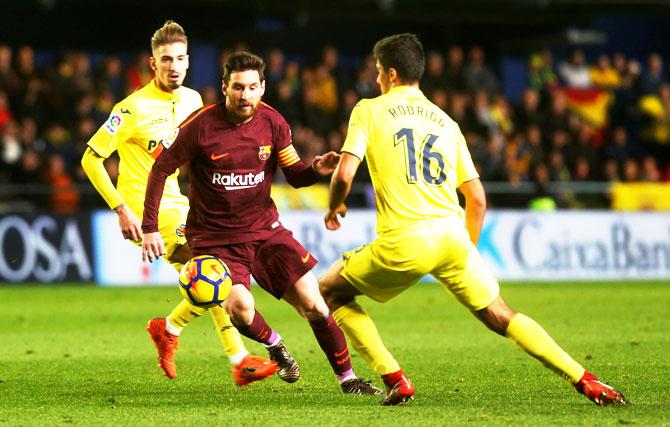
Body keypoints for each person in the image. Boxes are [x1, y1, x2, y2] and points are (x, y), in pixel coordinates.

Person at [318, 33, 627, 406]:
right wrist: (467, 252)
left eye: (380, 71)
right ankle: (586, 380)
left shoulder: (369, 109)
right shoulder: (447, 122)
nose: (378, 78)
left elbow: (345, 173)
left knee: (330, 290)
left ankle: (395, 377)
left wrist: (334, 206)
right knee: (501, 314)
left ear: (392, 74)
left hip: (405, 239)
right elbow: (477, 198)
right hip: (453, 236)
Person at [140, 51, 382, 395]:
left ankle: (349, 380)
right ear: (224, 87)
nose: (245, 95)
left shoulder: (273, 122)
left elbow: (295, 175)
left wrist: (316, 169)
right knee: (240, 309)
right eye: (238, 87)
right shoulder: (199, 126)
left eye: (253, 87)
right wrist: (149, 226)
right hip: (215, 240)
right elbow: (160, 170)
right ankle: (276, 347)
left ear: (263, 87)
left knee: (314, 303)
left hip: (264, 231)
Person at [81, 21, 278, 387]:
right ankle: (236, 358)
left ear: (188, 62)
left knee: (211, 277)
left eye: (181, 58)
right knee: (211, 270)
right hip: (146, 211)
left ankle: (170, 328)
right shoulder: (131, 109)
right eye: (166, 59)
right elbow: (90, 159)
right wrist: (120, 208)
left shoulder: (192, 101)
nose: (174, 65)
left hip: (183, 204)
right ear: (152, 64)